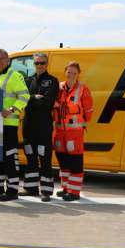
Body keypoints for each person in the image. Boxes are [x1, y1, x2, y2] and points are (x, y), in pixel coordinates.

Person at [0, 49, 30, 202]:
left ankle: (13, 190)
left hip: (8, 124)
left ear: (8, 61)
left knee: (9, 158)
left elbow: (25, 96)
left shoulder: (14, 75)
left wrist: (11, 110)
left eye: (2, 58)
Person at [53, 61, 94, 201]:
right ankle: (65, 188)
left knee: (75, 162)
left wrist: (78, 122)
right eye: (69, 72)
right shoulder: (58, 87)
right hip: (59, 131)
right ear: (65, 72)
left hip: (74, 132)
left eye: (74, 73)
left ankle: (74, 192)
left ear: (78, 74)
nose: (71, 75)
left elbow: (89, 111)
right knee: (63, 162)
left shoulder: (83, 88)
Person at [21, 52, 59, 202]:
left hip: (44, 128)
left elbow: (47, 102)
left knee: (45, 159)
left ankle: (46, 191)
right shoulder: (28, 80)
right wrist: (33, 97)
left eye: (42, 63)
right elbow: (22, 100)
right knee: (30, 158)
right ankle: (31, 188)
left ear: (47, 64)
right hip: (28, 127)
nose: (40, 66)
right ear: (33, 64)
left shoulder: (52, 81)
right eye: (37, 63)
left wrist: (31, 100)